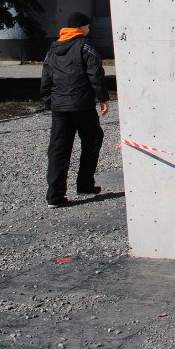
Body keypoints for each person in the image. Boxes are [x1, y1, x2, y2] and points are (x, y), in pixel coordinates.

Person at [40, 12, 109, 208]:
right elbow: (95, 73)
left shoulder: (53, 48)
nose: (89, 29)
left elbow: (46, 75)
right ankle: (85, 184)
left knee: (58, 149)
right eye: (88, 26)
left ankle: (54, 196)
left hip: (59, 106)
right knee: (93, 139)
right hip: (82, 105)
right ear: (82, 27)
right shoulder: (86, 45)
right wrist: (103, 97)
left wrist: (48, 100)